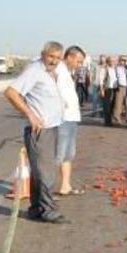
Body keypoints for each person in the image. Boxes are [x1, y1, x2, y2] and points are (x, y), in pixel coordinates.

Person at [3, 41, 66, 223]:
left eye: (58, 58)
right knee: (46, 172)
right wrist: (30, 114)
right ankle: (48, 210)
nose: (54, 61)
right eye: (51, 56)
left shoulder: (50, 73)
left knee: (41, 171)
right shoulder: (34, 71)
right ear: (43, 54)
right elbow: (11, 92)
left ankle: (36, 209)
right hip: (40, 130)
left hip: (52, 126)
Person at [54, 45, 86, 197]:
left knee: (68, 154)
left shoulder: (67, 72)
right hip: (62, 118)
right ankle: (43, 190)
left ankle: (65, 185)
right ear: (70, 57)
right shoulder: (57, 70)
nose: (79, 65)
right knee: (58, 155)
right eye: (78, 61)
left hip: (71, 117)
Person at [99, 56, 118, 126]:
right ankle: (107, 122)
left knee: (112, 106)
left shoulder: (114, 69)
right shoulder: (104, 69)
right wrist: (101, 90)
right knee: (106, 106)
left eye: (113, 61)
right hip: (107, 89)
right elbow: (101, 80)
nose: (113, 62)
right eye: (111, 61)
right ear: (108, 61)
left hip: (114, 89)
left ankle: (110, 120)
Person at [113, 55, 127, 124]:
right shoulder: (116, 68)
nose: (123, 62)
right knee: (118, 103)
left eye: (125, 60)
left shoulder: (126, 68)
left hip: (126, 87)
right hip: (120, 86)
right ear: (119, 60)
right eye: (122, 60)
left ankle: (125, 118)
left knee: (125, 103)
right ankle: (117, 118)